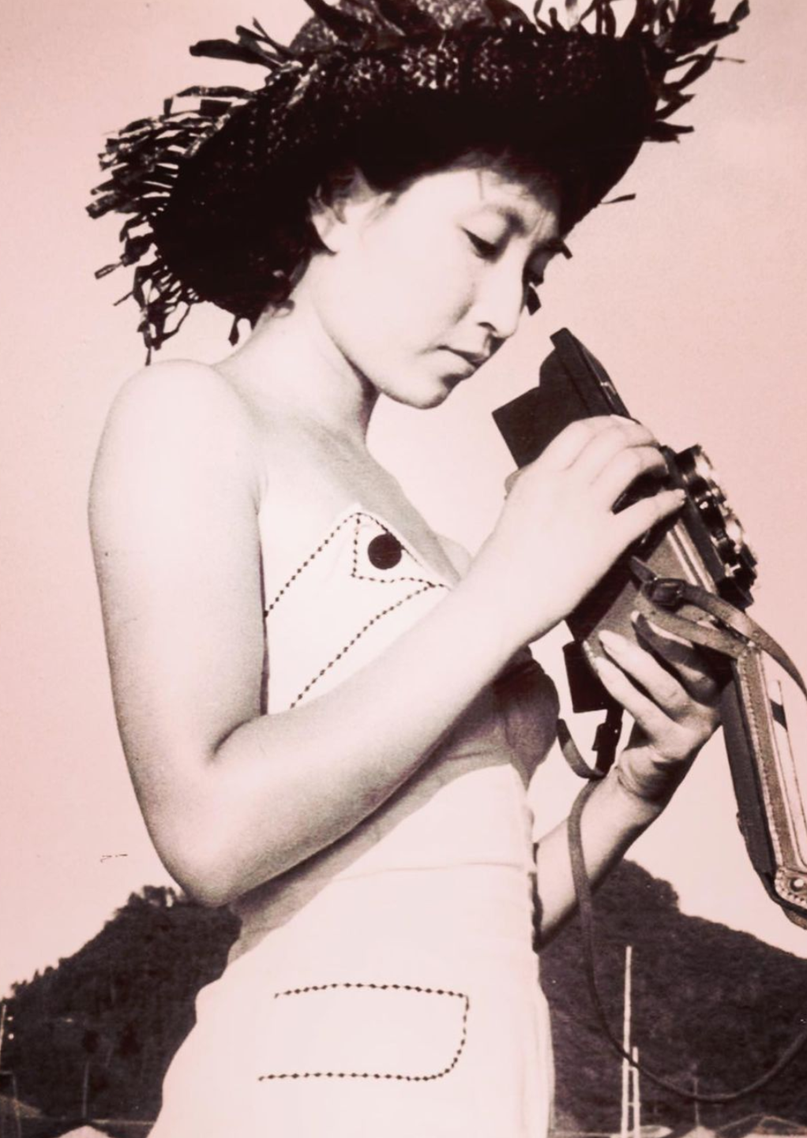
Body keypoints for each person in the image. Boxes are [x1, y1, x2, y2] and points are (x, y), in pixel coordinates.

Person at [87, 0, 747, 1133]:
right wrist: (510, 591)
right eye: (484, 242)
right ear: (338, 201)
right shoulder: (189, 412)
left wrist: (634, 787)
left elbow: (460, 920)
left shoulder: (443, 544)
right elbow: (207, 833)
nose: (506, 311)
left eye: (535, 272)